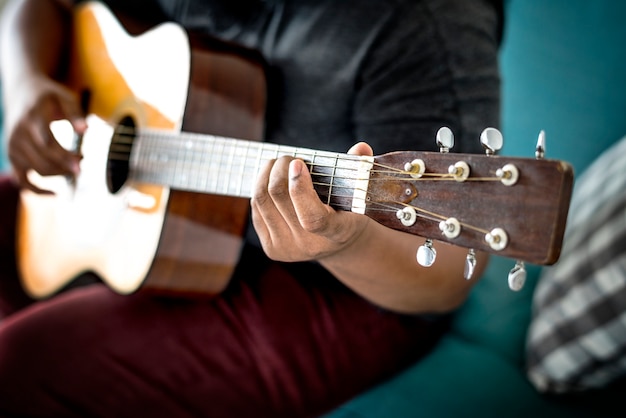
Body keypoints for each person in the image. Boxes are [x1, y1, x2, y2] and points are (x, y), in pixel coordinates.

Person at [0, 0, 502, 416]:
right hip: (172, 213)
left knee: (21, 363)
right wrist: (25, 85)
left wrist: (344, 240)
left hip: (348, 285)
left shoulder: (425, 23)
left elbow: (446, 271)